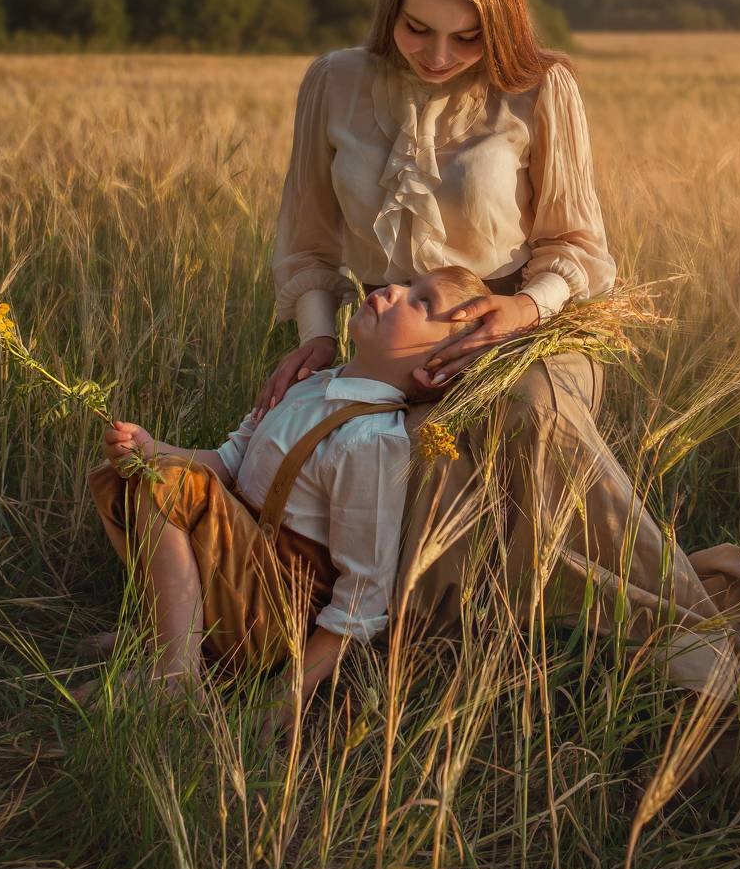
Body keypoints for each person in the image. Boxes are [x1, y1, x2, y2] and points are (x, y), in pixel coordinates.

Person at [254, 0, 740, 708]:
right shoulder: (333, 81)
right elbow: (306, 241)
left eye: (466, 35)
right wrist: (316, 340)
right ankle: (476, 647)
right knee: (393, 458)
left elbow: (581, 248)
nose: (439, 55)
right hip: (389, 343)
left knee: (524, 413)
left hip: (528, 328)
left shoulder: (540, 88)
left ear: (501, 18)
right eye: (417, 29)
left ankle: (687, 631)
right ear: (389, 8)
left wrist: (525, 313)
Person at [85, 264, 493, 735]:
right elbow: (229, 460)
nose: (393, 289)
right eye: (406, 283)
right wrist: (154, 450)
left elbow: (364, 593)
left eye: (422, 303)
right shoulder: (313, 384)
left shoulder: (371, 441)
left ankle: (175, 676)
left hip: (273, 614)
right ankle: (173, 636)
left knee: (166, 482)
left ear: (434, 370)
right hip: (239, 573)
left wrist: (287, 696)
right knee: (132, 475)